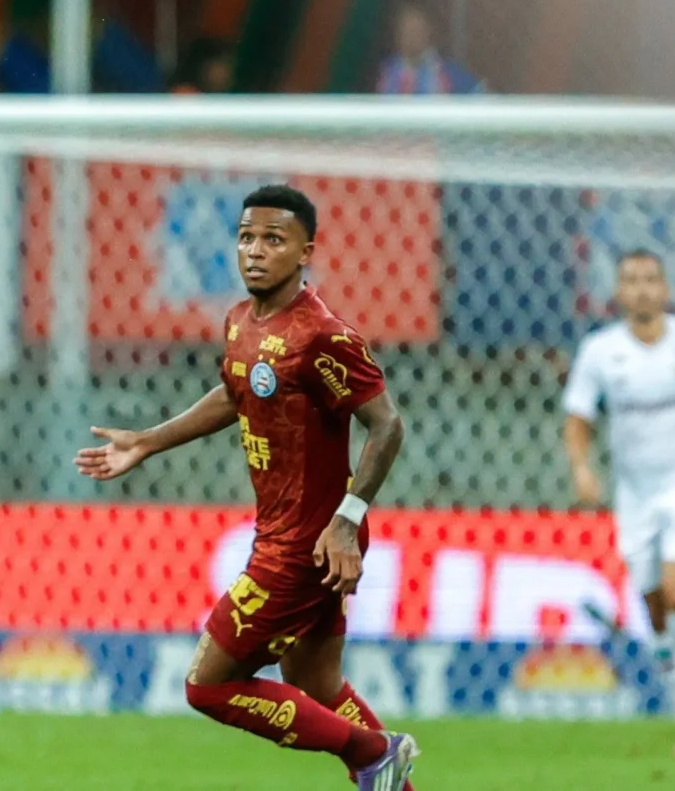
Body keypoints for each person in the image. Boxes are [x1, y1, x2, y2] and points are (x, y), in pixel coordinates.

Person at [77, 185, 420, 791]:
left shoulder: (322, 336)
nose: (255, 251)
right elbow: (239, 391)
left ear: (305, 251)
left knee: (206, 685)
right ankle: (384, 769)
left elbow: (387, 424)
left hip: (308, 546)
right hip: (286, 533)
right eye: (246, 237)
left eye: (273, 239)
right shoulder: (241, 322)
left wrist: (346, 518)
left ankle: (373, 749)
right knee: (316, 687)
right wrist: (149, 441)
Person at [562, 249, 675, 754]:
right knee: (656, 610)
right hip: (634, 494)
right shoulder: (600, 352)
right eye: (631, 281)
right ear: (618, 293)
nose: (641, 289)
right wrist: (582, 466)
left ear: (665, 289)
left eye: (650, 280)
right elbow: (578, 416)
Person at [374, 4, 483, 94]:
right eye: (407, 30)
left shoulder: (448, 72)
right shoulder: (387, 72)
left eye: (416, 30)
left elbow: (480, 100)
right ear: (398, 35)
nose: (411, 37)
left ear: (428, 33)